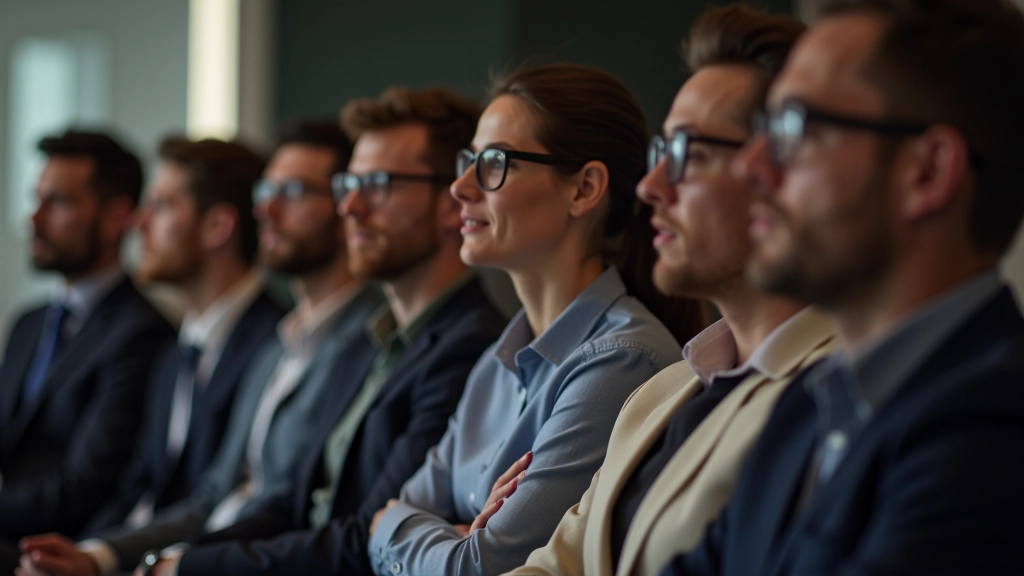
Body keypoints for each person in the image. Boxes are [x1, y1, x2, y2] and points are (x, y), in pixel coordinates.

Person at [660, 0, 1024, 574]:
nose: (753, 166)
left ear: (925, 172)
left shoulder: (994, 435)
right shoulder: (808, 406)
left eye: (792, 127)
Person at [503, 6, 829, 576]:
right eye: (661, 154)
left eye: (689, 154)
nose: (651, 188)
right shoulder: (662, 391)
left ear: (781, 171)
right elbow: (552, 566)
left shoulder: (835, 396)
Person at [141, 87, 508, 576]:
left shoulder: (470, 345)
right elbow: (286, 503)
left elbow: (370, 537)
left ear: (451, 201)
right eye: (347, 185)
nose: (350, 207)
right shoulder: (376, 341)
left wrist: (188, 569)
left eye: (377, 183)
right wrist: (175, 560)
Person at [365, 63, 701, 576]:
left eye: (494, 162)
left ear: (584, 189)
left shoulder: (622, 361)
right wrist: (440, 538)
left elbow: (483, 566)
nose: (459, 186)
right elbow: (389, 513)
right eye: (468, 160)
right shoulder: (498, 358)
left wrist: (407, 533)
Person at [17, 121, 384, 576]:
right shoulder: (246, 346)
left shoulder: (325, 341)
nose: (139, 222)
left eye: (291, 191)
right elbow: (178, 493)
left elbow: (278, 508)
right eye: (266, 191)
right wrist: (96, 555)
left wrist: (160, 565)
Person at [85, 136, 285, 532]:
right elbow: (136, 491)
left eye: (161, 206)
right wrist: (85, 553)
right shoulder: (173, 353)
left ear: (217, 226)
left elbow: (222, 505)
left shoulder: (276, 345)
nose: (138, 223)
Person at [0, 130, 175, 569]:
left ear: (117, 216)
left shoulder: (143, 332)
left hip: (59, 551)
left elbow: (83, 486)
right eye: (35, 199)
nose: (34, 219)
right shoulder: (29, 323)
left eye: (57, 203)